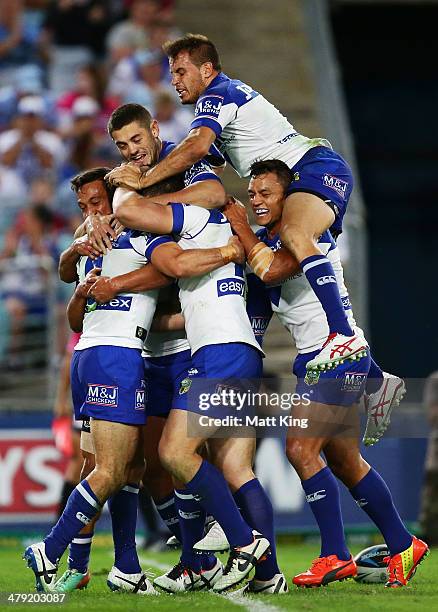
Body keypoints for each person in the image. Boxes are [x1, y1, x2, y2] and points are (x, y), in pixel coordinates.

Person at [24, 166, 242, 594]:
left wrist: (104, 280)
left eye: (97, 203)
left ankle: (124, 564)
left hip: (115, 358)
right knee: (111, 468)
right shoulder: (95, 243)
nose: (91, 212)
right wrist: (80, 280)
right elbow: (80, 314)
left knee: (131, 468)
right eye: (84, 206)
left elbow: (167, 271)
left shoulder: (133, 232)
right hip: (113, 357)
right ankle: (54, 551)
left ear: (117, 197)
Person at [106, 33, 372, 372]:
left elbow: (196, 148)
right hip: (295, 179)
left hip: (313, 168)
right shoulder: (224, 102)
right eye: (172, 73)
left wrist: (142, 181)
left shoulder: (218, 93)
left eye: (181, 72)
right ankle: (376, 379)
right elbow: (203, 156)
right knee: (262, 271)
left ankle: (342, 334)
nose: (174, 81)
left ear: (206, 70)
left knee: (293, 235)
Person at [223, 159, 428, 589]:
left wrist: (239, 229)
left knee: (299, 448)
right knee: (344, 460)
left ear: (290, 198)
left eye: (266, 194)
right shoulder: (264, 247)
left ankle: (334, 553)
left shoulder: (307, 234)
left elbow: (271, 269)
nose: (256, 201)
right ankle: (403, 542)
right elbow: (258, 315)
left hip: (337, 356)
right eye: (252, 194)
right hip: (320, 359)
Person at [113, 174, 285, 594]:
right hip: (240, 350)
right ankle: (268, 577)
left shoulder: (195, 219)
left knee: (173, 452)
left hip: (218, 351)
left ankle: (242, 540)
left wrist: (132, 192)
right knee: (237, 469)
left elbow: (143, 223)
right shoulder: (228, 225)